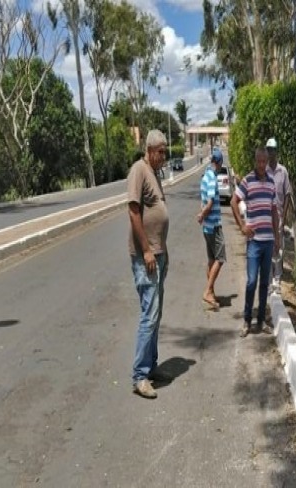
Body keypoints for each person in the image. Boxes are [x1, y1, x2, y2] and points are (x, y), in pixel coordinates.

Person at [126, 129, 170, 399]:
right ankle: (140, 376)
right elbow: (133, 211)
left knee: (156, 314)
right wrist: (147, 250)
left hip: (159, 254)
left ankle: (151, 367)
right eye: (162, 151)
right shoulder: (139, 170)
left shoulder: (154, 173)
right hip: (147, 257)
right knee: (149, 314)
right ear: (151, 150)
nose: (164, 156)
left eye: (165, 151)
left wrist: (162, 250)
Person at [231, 148, 280, 338]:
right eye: (258, 161)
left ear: (267, 161)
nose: (261, 165)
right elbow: (234, 201)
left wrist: (276, 237)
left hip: (268, 241)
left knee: (264, 284)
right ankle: (246, 320)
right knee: (251, 282)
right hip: (254, 242)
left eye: (264, 162)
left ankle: (260, 321)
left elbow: (274, 210)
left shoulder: (271, 182)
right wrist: (242, 225)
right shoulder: (247, 181)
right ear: (255, 161)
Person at [197, 148, 227, 310]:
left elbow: (202, 201)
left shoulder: (204, 177)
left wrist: (201, 214)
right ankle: (208, 291)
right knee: (220, 258)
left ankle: (212, 294)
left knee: (211, 260)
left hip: (207, 227)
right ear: (220, 163)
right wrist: (203, 214)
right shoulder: (212, 179)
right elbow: (208, 203)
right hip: (214, 225)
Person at [265, 137, 292, 294]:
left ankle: (277, 280)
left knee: (279, 249)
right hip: (266, 217)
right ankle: (269, 282)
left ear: (277, 151)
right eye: (268, 150)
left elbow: (287, 193)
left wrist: (285, 214)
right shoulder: (264, 171)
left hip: (279, 217)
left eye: (273, 150)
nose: (271, 153)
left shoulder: (283, 171)